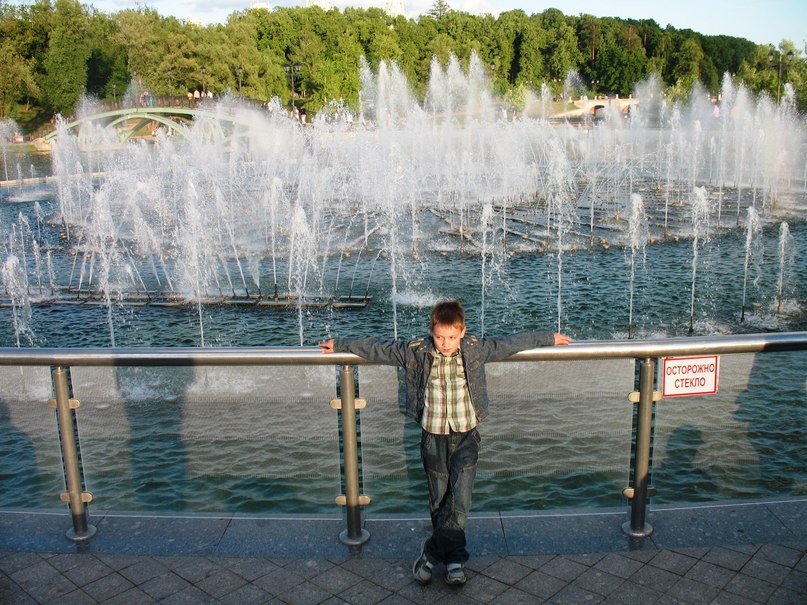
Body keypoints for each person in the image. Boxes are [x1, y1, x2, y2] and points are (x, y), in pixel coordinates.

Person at [320, 300, 571, 586]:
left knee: (459, 502)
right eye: (440, 336)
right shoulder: (417, 352)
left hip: (466, 435)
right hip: (433, 436)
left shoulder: (475, 349)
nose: (446, 343)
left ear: (463, 332)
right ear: (431, 332)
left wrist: (548, 337)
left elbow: (510, 343)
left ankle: (430, 554)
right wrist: (340, 343)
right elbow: (379, 348)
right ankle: (454, 560)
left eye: (452, 337)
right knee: (440, 501)